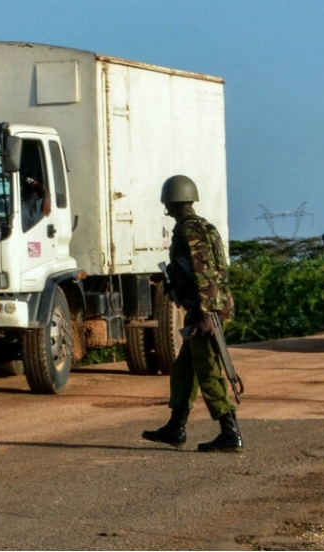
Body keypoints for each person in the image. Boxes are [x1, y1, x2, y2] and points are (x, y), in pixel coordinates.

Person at [142, 174, 242, 453]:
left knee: (208, 371)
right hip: (207, 309)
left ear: (169, 204)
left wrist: (206, 314)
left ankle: (230, 433)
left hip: (205, 312)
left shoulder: (190, 231)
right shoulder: (204, 226)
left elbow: (204, 273)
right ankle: (176, 427)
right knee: (184, 369)